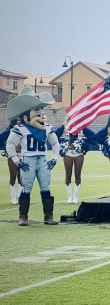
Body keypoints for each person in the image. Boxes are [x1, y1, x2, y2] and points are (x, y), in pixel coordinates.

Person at [5, 87, 61, 226]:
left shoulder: (47, 127)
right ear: (25, 117)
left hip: (42, 160)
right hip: (28, 160)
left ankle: (48, 216)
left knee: (45, 187)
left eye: (42, 112)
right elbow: (10, 145)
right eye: (37, 112)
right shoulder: (20, 128)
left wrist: (54, 158)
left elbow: (55, 143)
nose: (41, 115)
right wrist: (17, 161)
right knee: (27, 188)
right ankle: (23, 216)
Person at [55, 118, 95, 204]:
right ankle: (69, 197)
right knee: (68, 174)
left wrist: (83, 145)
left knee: (77, 174)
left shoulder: (82, 127)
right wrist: (63, 125)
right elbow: (55, 136)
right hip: (68, 153)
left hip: (79, 153)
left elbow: (93, 137)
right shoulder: (65, 127)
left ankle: (75, 196)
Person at [1, 119, 22, 204]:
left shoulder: (24, 129)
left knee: (21, 178)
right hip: (13, 156)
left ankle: (20, 197)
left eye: (20, 120)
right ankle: (13, 198)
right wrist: (5, 148)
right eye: (17, 120)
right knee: (13, 176)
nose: (19, 122)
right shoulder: (9, 130)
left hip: (22, 155)